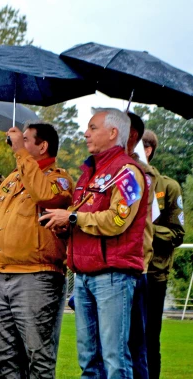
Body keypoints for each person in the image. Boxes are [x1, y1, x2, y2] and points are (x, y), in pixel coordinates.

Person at [42, 107, 148, 379]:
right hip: (83, 275)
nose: (85, 133)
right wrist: (65, 225)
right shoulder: (89, 172)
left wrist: (73, 217)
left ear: (113, 133)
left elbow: (118, 220)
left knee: (114, 358)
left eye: (92, 127)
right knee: (88, 359)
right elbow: (83, 218)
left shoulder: (127, 172)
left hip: (113, 276)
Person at [0, 122, 73, 378]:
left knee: (38, 355)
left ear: (42, 146)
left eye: (25, 139)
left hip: (36, 276)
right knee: (3, 357)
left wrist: (21, 153)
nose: (16, 143)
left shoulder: (60, 178)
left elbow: (44, 196)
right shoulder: (10, 180)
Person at [143, 130, 185, 379]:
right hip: (120, 272)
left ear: (147, 150)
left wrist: (145, 226)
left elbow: (177, 234)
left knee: (149, 341)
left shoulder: (168, 186)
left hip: (153, 275)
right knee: (116, 341)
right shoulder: (120, 181)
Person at [126, 112, 157, 379]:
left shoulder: (137, 174)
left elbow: (122, 217)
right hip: (108, 269)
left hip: (130, 270)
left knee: (133, 348)